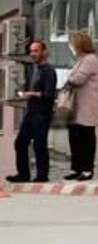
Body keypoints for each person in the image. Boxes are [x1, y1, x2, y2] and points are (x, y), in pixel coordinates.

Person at [7, 40, 57, 183]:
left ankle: (42, 176)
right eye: (31, 51)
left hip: (42, 114)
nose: (33, 54)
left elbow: (49, 95)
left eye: (36, 51)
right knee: (20, 142)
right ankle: (23, 174)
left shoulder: (49, 71)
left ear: (44, 52)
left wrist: (32, 94)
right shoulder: (33, 70)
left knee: (39, 145)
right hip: (30, 112)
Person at [64, 32, 98, 181]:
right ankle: (76, 167)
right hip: (77, 105)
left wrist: (69, 78)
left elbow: (78, 79)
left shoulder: (90, 60)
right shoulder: (81, 60)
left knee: (86, 137)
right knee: (75, 137)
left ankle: (87, 169)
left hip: (87, 105)